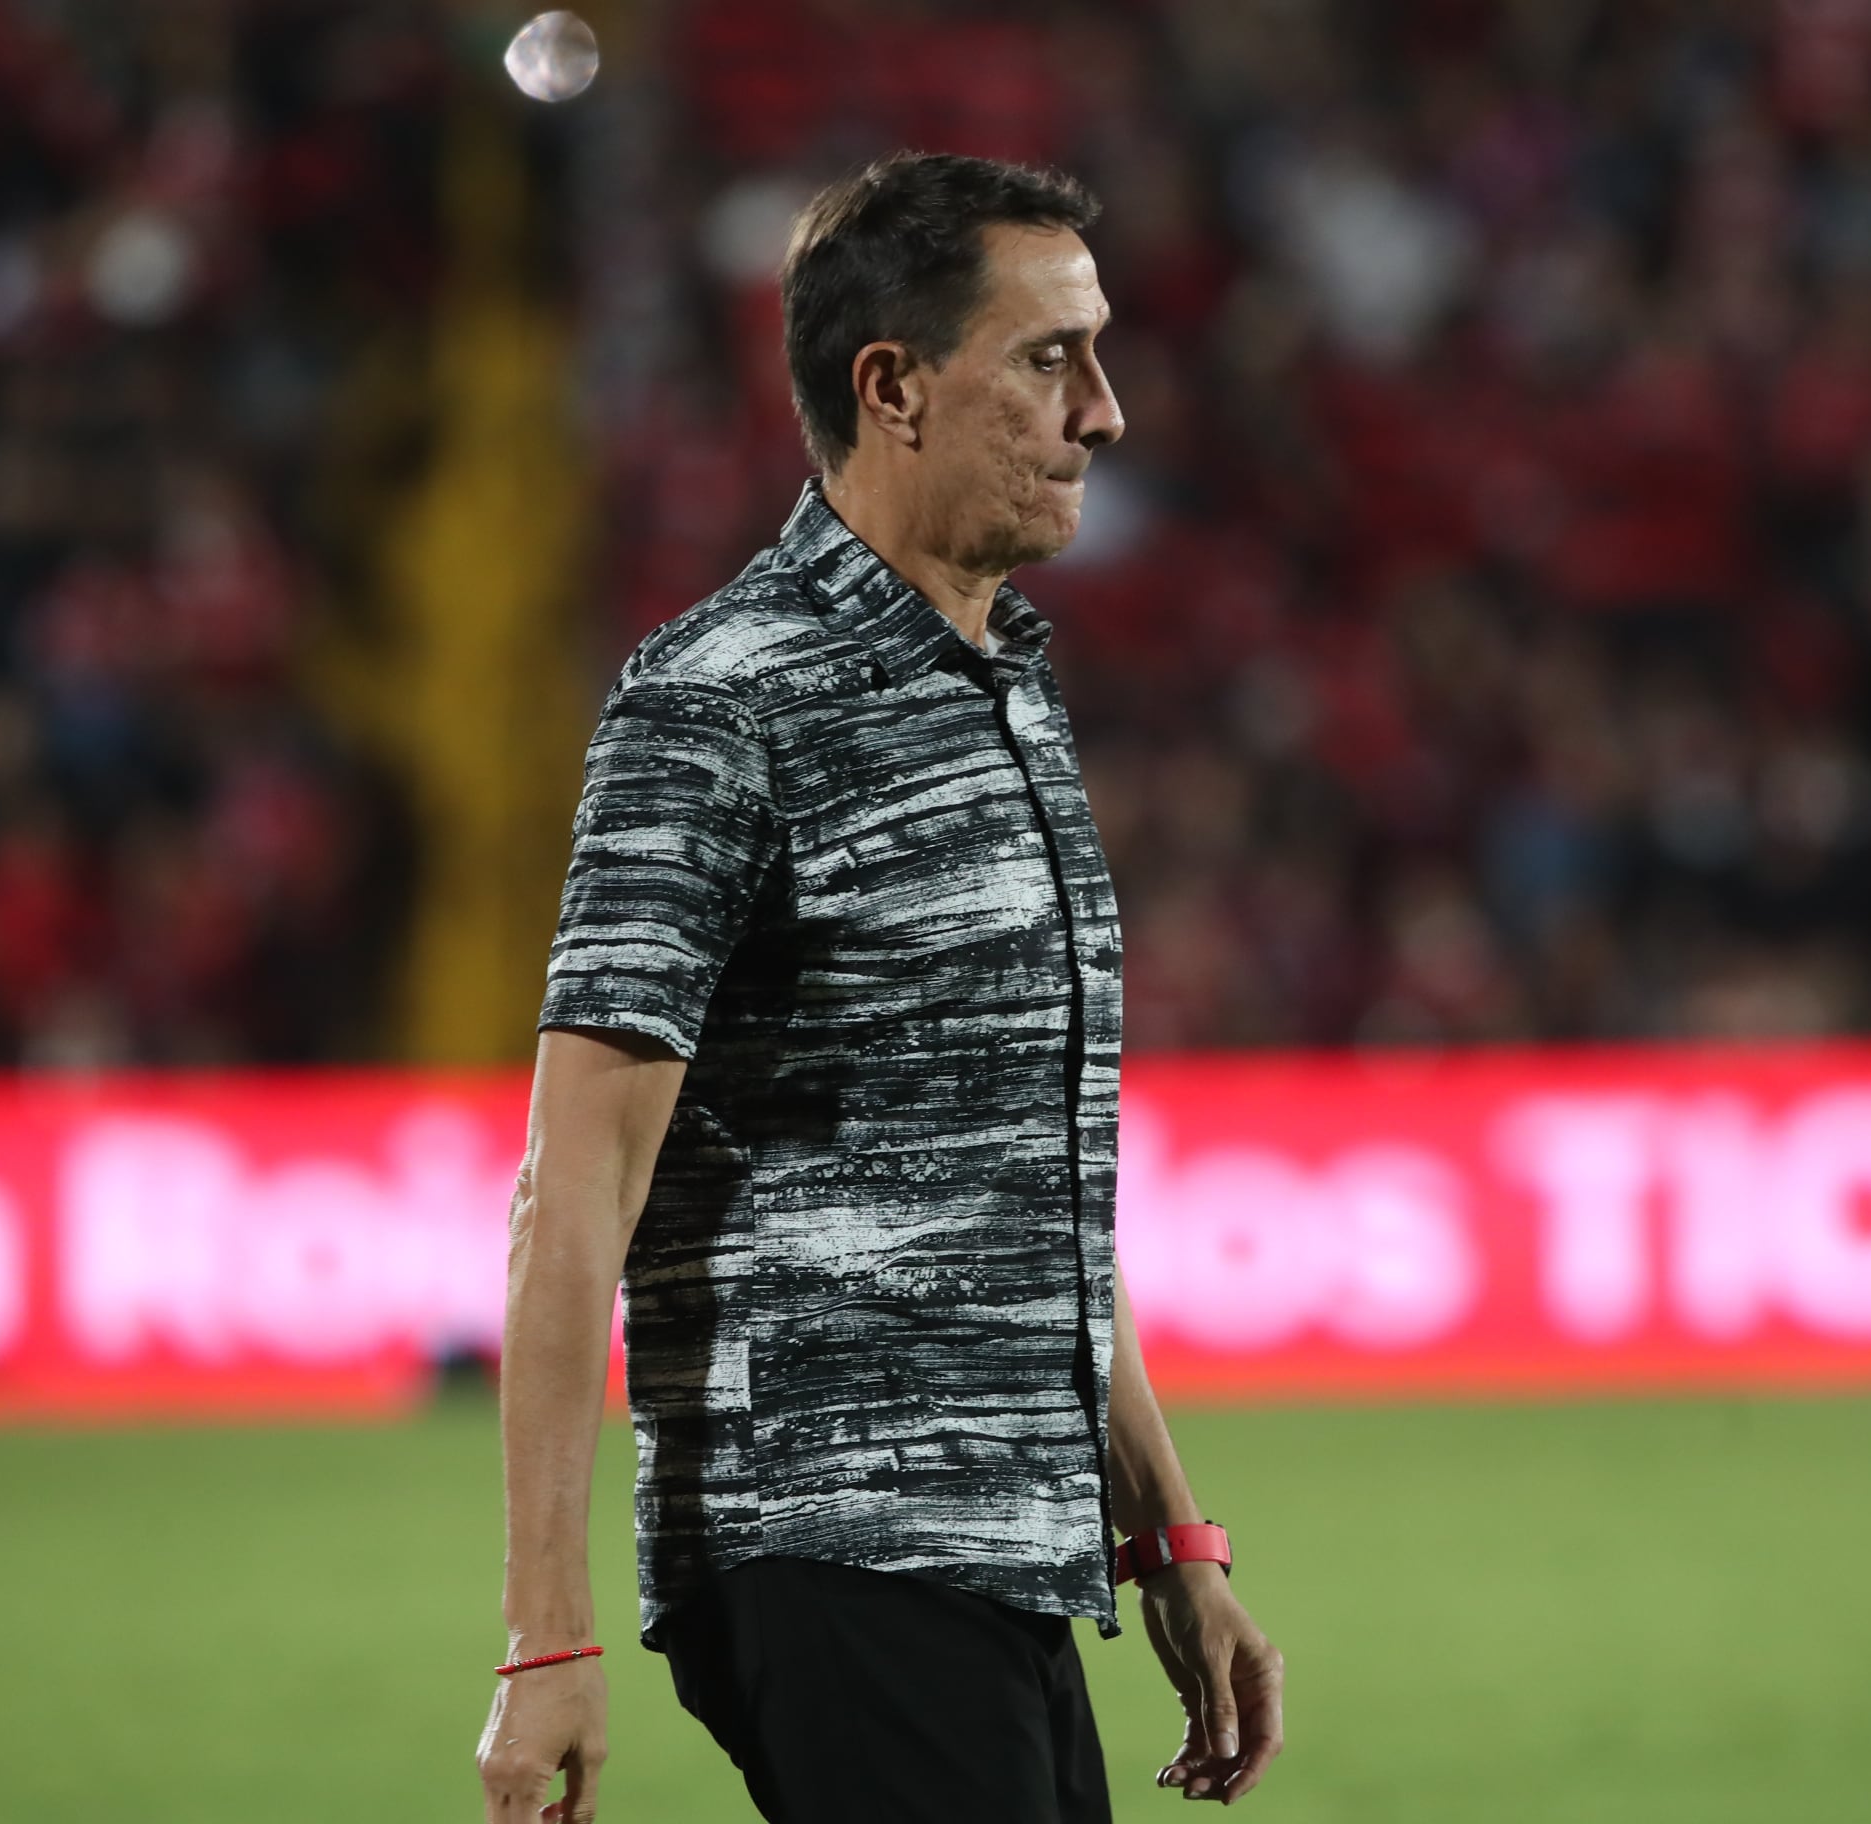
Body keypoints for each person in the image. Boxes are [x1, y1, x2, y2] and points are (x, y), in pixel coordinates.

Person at [475, 152, 1285, 1824]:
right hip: (830, 1531)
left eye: (1100, 351)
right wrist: (545, 1641)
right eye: (1049, 357)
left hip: (1004, 1547)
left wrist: (1170, 1534)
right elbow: (574, 1190)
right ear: (893, 390)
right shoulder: (720, 702)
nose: (1107, 410)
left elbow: (1026, 1183)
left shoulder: (1005, 690)